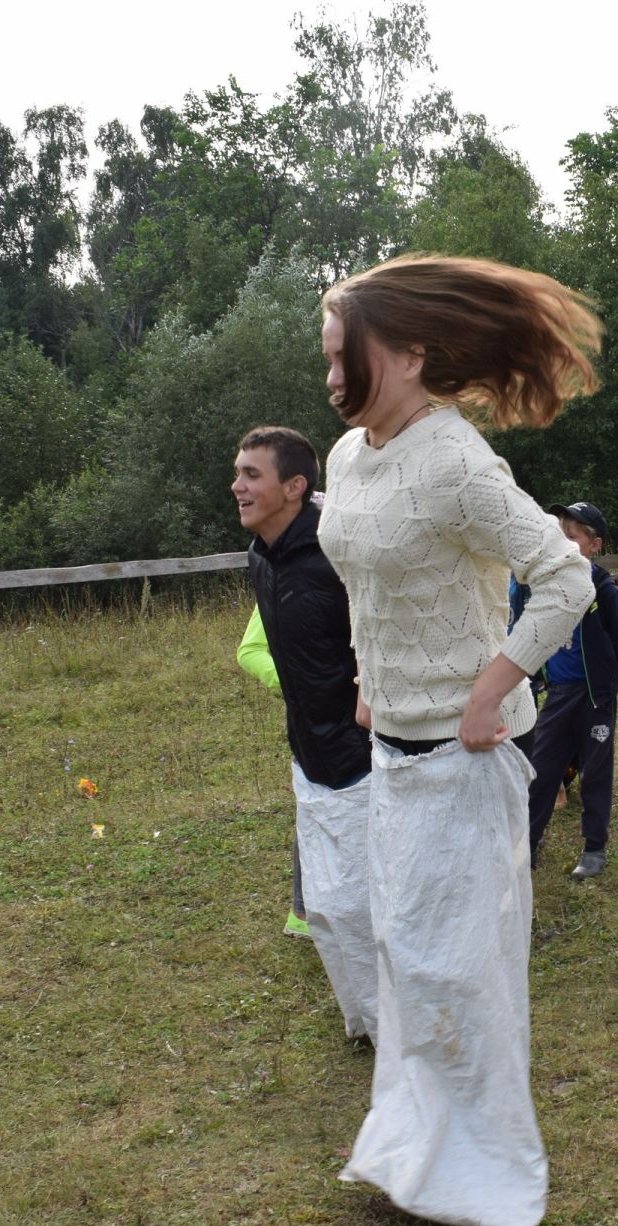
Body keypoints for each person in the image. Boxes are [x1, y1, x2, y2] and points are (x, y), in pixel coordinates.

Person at [315, 253, 601, 1226]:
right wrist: (367, 669)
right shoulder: (350, 457)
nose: (328, 373)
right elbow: (363, 575)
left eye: (337, 353)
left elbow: (566, 580)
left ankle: (485, 1188)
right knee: (402, 958)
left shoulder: (457, 460)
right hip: (389, 749)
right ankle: (416, 1161)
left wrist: (493, 687)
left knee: (458, 973)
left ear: (400, 354)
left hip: (464, 757)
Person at [238, 429, 379, 1036]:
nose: (238, 485)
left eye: (252, 475)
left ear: (294, 487)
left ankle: (403, 1026)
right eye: (238, 472)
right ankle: (367, 1021)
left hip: (365, 758)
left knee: (366, 906)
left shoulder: (337, 556)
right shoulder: (259, 558)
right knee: (321, 908)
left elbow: (389, 627)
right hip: (309, 755)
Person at [524, 501, 618, 882]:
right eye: (559, 535)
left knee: (595, 770)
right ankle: (528, 842)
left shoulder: (604, 591)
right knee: (540, 771)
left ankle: (593, 847)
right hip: (558, 694)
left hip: (594, 697)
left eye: (571, 538)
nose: (562, 543)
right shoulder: (548, 585)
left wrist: (603, 680)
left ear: (595, 546)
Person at [234, 604, 313, 939]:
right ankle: (302, 911)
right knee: (315, 810)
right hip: (317, 718)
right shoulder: (284, 571)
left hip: (379, 710)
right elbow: (250, 651)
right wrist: (299, 684)